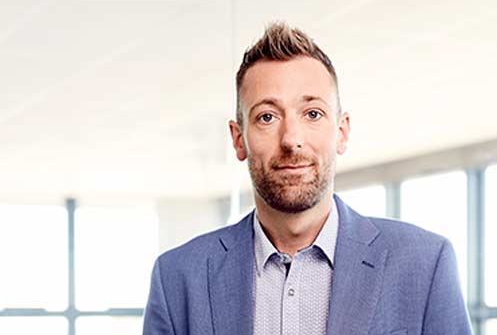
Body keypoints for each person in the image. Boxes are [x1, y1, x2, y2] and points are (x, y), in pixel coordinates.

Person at [143, 22, 472, 335]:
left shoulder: (425, 264)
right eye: (267, 117)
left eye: (312, 113)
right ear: (238, 138)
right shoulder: (178, 278)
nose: (291, 139)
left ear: (341, 132)